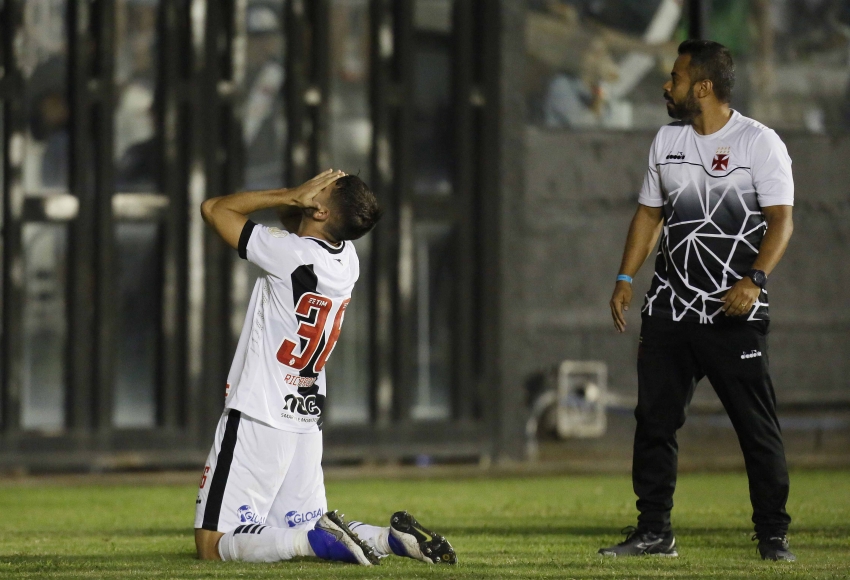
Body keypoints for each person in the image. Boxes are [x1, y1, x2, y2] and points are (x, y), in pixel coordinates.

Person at [194, 170, 457, 566]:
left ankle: (316, 544)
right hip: (304, 415)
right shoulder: (346, 260)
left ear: (318, 211)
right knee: (305, 522)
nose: (314, 186)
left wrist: (290, 192)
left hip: (261, 411)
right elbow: (295, 223)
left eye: (323, 188)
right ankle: (391, 539)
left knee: (214, 545)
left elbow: (214, 209)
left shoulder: (288, 252)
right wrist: (306, 201)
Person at [601, 40, 796, 561]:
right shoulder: (666, 140)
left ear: (703, 87)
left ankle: (773, 534)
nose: (667, 85)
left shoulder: (760, 143)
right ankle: (654, 531)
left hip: (734, 312)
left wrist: (753, 279)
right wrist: (625, 276)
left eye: (676, 77)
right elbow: (649, 215)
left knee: (757, 428)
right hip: (669, 307)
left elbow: (781, 221)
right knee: (655, 421)